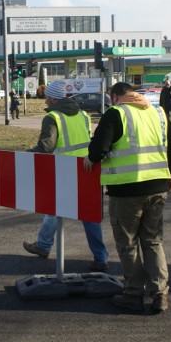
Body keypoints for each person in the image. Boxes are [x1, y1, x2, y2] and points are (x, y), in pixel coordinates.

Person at [86, 82, 171, 312]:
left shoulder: (116, 113)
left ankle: (132, 293)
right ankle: (160, 293)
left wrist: (93, 157)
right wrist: (170, 175)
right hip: (158, 187)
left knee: (128, 243)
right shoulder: (158, 113)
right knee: (153, 241)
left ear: (115, 96)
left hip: (127, 191)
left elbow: (98, 149)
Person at [23, 80, 109, 272]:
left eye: (47, 97)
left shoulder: (53, 117)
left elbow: (46, 148)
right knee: (89, 215)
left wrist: (24, 156)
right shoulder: (84, 115)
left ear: (53, 98)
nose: (45, 101)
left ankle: (43, 246)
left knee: (54, 210)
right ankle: (101, 258)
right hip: (87, 168)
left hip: (63, 169)